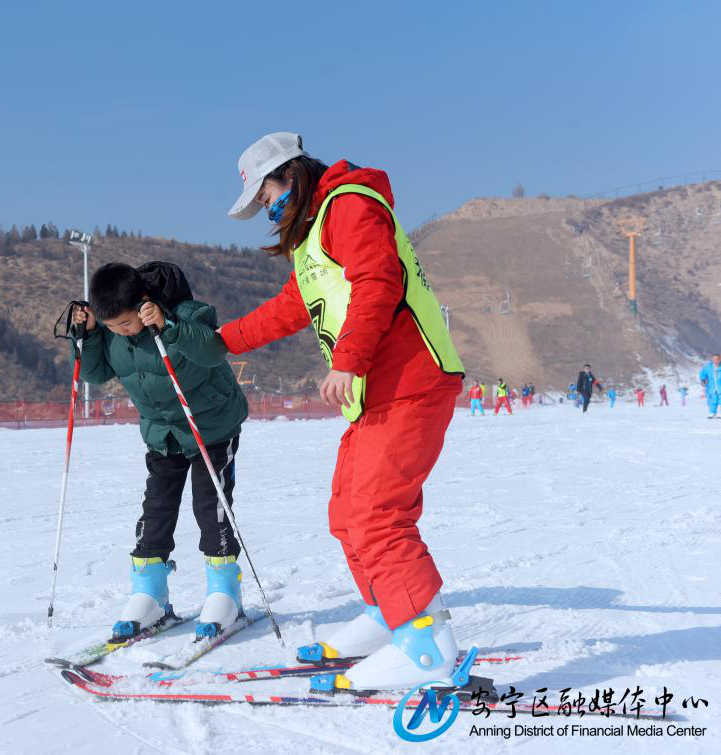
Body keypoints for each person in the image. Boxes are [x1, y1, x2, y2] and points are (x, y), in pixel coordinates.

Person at [218, 132, 465, 691]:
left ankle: (426, 646)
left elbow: (379, 280)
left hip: (409, 381)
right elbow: (289, 309)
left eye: (267, 196)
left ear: (290, 174)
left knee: (379, 515)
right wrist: (220, 342)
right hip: (374, 395)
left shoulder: (349, 204)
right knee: (348, 514)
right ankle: (387, 615)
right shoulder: (313, 237)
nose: (268, 210)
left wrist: (348, 360)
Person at [70, 261, 249, 641]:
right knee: (156, 511)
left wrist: (169, 328)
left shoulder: (189, 315)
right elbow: (95, 373)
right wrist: (88, 336)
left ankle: (224, 592)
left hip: (210, 428)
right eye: (111, 327)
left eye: (125, 323)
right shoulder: (112, 333)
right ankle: (150, 592)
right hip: (163, 434)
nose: (120, 332)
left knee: (211, 509)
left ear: (143, 303)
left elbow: (212, 352)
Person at [700, 353, 721, 418]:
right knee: (713, 400)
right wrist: (703, 380)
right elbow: (703, 374)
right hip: (712, 387)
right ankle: (712, 413)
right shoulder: (708, 367)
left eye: (717, 359)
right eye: (714, 359)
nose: (715, 361)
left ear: (720, 359)